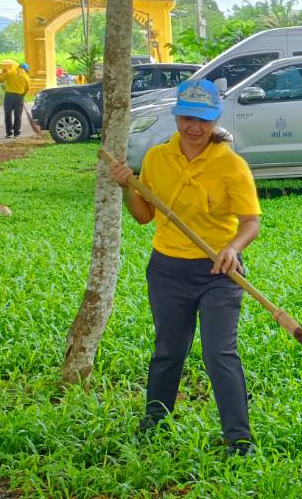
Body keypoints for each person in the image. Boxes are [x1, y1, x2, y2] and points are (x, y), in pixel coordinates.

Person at [106, 79, 261, 456]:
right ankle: (155, 422)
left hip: (218, 273)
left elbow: (251, 222)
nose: (195, 128)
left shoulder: (231, 165)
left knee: (219, 354)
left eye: (204, 120)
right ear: (176, 115)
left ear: (215, 120)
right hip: (167, 270)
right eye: (188, 118)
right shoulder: (158, 159)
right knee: (169, 350)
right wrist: (129, 187)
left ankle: (238, 438)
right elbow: (144, 217)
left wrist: (232, 248)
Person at [0, 60, 31, 138]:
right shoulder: (26, 77)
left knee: (8, 115)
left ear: (18, 67)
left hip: (8, 97)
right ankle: (16, 133)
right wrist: (22, 96)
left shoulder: (10, 73)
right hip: (19, 97)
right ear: (26, 70)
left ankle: (9, 133)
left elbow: (1, 80)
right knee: (18, 115)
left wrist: (3, 73)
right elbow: (27, 89)